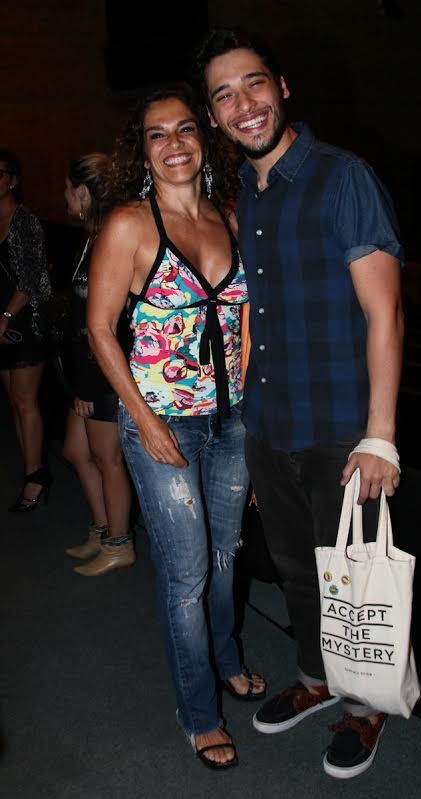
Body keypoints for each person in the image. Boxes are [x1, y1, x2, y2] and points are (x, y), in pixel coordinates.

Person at [196, 29, 404, 779]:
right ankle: (317, 677)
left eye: (252, 84)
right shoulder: (243, 194)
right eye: (222, 93)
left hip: (341, 426)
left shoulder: (341, 176)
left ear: (281, 87)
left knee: (354, 578)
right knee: (294, 569)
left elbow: (384, 312)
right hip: (271, 421)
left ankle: (364, 705)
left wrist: (379, 434)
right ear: (214, 114)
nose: (241, 103)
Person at [86, 84, 265, 769]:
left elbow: (246, 320)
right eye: (158, 134)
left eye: (185, 129)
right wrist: (143, 418)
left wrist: (253, 411)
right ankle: (199, 712)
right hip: (163, 422)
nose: (174, 143)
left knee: (226, 554)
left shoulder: (230, 216)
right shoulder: (131, 224)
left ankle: (225, 659)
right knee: (186, 572)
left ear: (204, 138)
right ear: (144, 151)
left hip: (233, 422)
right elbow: (100, 330)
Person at [62, 153, 134, 576]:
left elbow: (108, 324)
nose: (64, 197)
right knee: (75, 450)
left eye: (67, 188)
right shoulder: (92, 236)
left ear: (83, 192)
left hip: (104, 373)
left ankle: (119, 542)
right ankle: (104, 527)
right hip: (86, 371)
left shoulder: (112, 236)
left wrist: (89, 386)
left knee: (108, 459)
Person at [0, 148, 52, 512]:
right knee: (15, 403)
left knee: (25, 401)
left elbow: (33, 278)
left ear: (12, 180)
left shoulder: (25, 221)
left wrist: (5, 315)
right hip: (0, 322)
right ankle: (30, 468)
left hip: (24, 322)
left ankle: (36, 477)